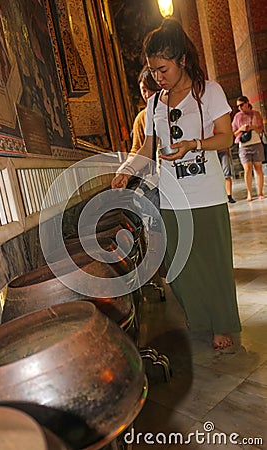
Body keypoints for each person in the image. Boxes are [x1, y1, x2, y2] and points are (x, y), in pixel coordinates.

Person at [111, 18, 241, 351]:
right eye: (153, 71)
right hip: (170, 195)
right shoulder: (155, 103)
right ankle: (199, 313)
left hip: (206, 191)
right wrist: (127, 168)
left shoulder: (208, 91)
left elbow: (225, 138)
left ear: (182, 59)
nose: (158, 77)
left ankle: (220, 324)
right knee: (180, 264)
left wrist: (193, 145)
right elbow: (147, 148)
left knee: (212, 260)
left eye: (163, 69)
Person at [232, 96, 264, 201]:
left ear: (247, 103)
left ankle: (260, 192)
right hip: (244, 146)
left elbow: (260, 130)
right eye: (238, 106)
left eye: (241, 105)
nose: (240, 108)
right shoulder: (237, 117)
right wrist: (241, 129)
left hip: (256, 143)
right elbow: (234, 133)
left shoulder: (256, 114)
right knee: (247, 169)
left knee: (258, 168)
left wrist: (252, 127)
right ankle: (249, 193)